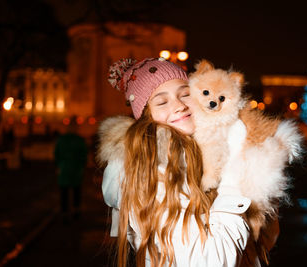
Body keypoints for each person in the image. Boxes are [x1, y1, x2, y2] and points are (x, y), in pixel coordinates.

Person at [99, 58, 278, 267]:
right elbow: (209, 261)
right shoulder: (152, 166)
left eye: (185, 94)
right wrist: (235, 174)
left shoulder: (201, 150)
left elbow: (264, 242)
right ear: (146, 115)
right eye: (162, 102)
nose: (179, 106)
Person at [54, 118, 88, 220]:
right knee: (76, 190)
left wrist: (58, 165)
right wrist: (83, 166)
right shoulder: (80, 140)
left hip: (64, 168)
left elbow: (56, 154)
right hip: (76, 168)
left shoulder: (61, 140)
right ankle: (76, 210)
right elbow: (84, 155)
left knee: (64, 191)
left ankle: (64, 211)